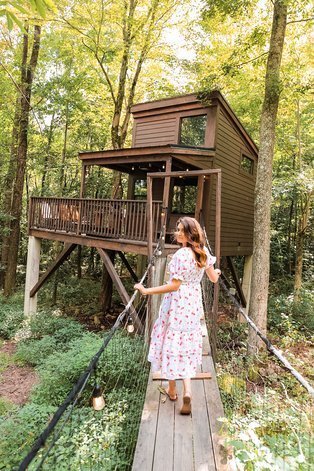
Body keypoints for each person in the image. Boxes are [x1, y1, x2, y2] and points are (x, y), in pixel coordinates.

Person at [134, 216, 221, 415]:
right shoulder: (203, 252)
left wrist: (146, 291)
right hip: (193, 306)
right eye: (178, 229)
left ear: (190, 234)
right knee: (187, 344)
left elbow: (174, 285)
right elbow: (214, 279)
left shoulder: (181, 255)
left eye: (182, 230)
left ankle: (172, 390)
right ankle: (187, 391)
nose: (177, 233)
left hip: (177, 304)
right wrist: (217, 271)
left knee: (172, 344)